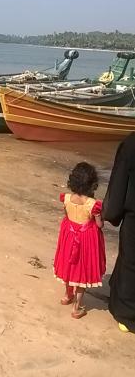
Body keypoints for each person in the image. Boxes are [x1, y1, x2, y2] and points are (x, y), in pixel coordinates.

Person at [54, 162, 106, 319]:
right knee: (82, 271)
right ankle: (76, 308)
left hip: (69, 236)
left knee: (68, 265)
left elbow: (66, 215)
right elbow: (99, 224)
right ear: (92, 184)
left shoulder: (67, 198)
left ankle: (66, 296)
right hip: (86, 240)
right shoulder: (93, 205)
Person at [103, 132, 135, 333]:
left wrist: (111, 213)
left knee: (131, 262)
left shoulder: (131, 144)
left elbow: (119, 181)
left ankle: (127, 314)